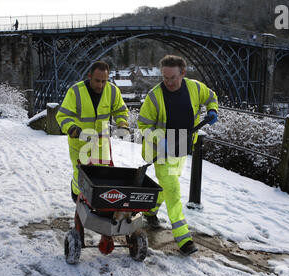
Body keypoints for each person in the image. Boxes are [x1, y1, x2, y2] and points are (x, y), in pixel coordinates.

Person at [137, 55, 219, 256]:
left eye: (173, 77)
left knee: (167, 187)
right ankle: (184, 239)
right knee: (173, 192)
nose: (168, 82)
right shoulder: (154, 96)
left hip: (182, 148)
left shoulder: (195, 88)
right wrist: (160, 140)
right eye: (165, 78)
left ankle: (150, 210)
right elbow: (143, 125)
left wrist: (212, 109)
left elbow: (211, 97)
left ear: (183, 73)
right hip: (161, 151)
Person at [56, 61, 129, 203]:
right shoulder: (75, 91)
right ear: (89, 76)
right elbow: (63, 116)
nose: (100, 85)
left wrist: (122, 123)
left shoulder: (113, 91)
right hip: (79, 143)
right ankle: (77, 197)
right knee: (81, 176)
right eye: (97, 81)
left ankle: (95, 203)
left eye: (104, 81)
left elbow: (120, 110)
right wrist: (71, 128)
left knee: (101, 175)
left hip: (101, 143)